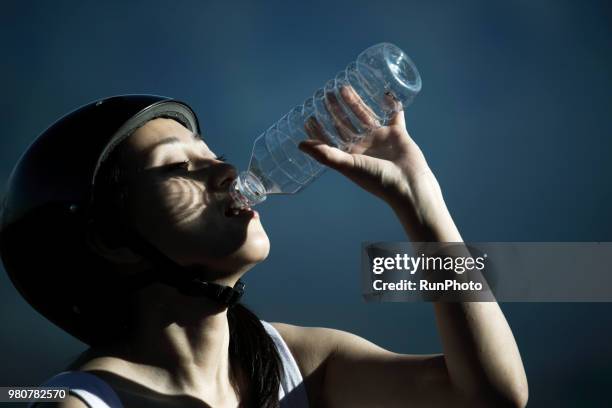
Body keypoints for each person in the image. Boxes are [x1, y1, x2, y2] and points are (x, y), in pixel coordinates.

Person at [0, 91, 528, 408]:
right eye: (178, 167)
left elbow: (489, 396)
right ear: (110, 240)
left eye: (215, 156)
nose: (227, 172)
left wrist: (421, 202)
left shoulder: (295, 363)